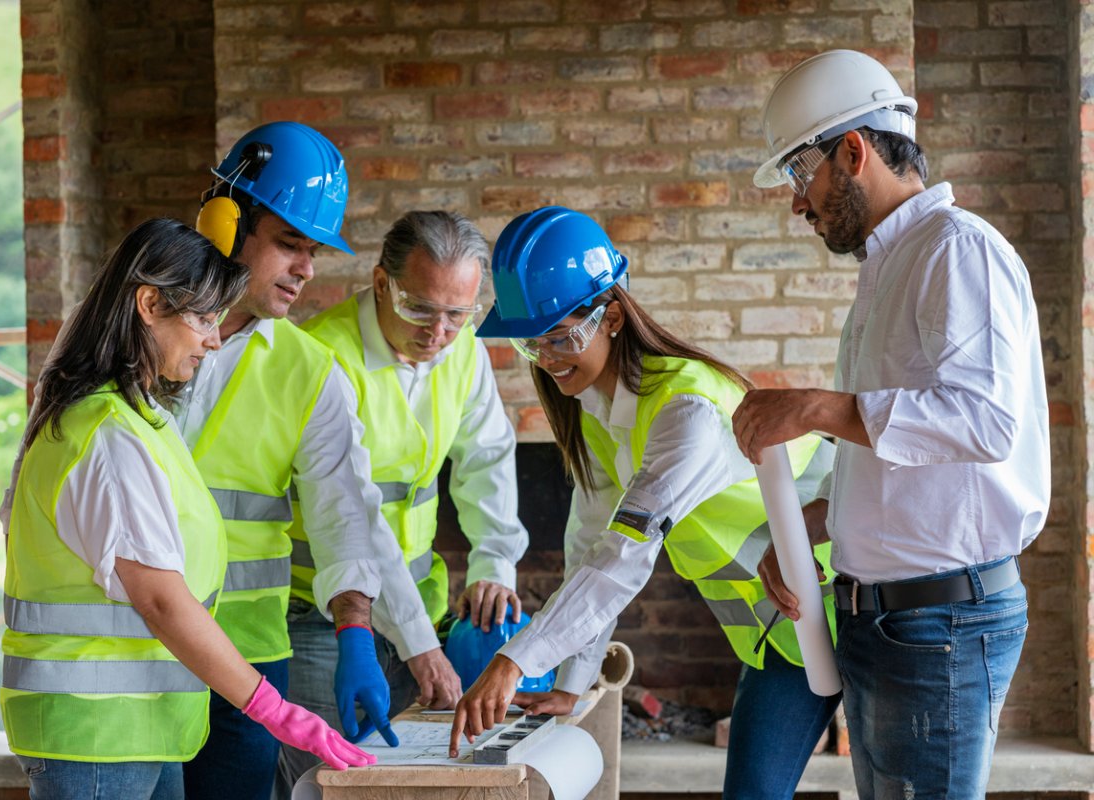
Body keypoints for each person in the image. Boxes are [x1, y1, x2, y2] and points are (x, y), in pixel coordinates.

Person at [1, 122, 435, 800]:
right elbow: (35, 498)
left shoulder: (307, 369)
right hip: (124, 680)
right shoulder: (120, 366)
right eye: (291, 244)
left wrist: (358, 629)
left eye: (315, 251)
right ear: (225, 222)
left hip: (234, 660)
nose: (307, 269)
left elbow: (345, 512)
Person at [732, 49, 1049, 800]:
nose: (796, 202)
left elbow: (982, 420)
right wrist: (814, 522)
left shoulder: (956, 251)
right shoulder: (893, 267)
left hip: (939, 626)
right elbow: (907, 455)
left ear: (852, 152)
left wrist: (812, 407)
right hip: (893, 623)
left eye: (796, 175)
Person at [448, 206, 838, 799]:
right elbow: (589, 548)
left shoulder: (686, 413)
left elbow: (623, 558)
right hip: (783, 641)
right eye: (533, 345)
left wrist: (514, 661)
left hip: (858, 613)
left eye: (561, 336)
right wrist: (574, 680)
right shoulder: (600, 413)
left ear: (611, 316)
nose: (549, 360)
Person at [279, 210, 530, 786]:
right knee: (332, 785)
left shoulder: (462, 348)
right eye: (419, 308)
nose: (437, 333)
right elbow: (356, 513)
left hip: (419, 605)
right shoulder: (324, 356)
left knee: (403, 785)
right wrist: (420, 646)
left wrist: (495, 564)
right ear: (380, 283)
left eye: (457, 314)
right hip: (325, 621)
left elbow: (488, 456)